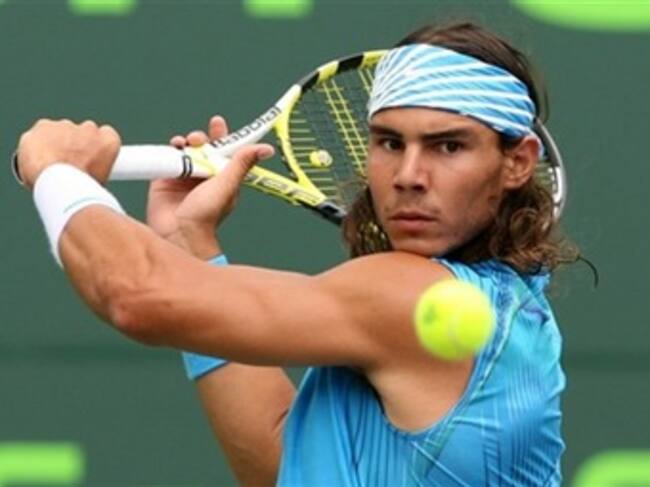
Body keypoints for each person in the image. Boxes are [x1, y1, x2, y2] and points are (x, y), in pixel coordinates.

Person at [16, 21, 576, 487]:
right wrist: (188, 243)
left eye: (447, 146)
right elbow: (284, 466)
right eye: (389, 142)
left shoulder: (417, 295)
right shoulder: (508, 310)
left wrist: (58, 175)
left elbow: (136, 296)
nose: (408, 175)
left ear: (517, 162)